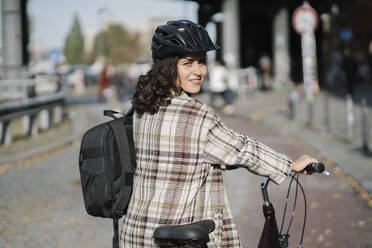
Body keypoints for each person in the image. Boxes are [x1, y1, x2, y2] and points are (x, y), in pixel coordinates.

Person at [120, 20, 318, 247]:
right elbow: (242, 149)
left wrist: (211, 161)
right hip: (176, 237)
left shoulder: (141, 107)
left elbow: (171, 155)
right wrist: (290, 164)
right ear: (167, 66)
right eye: (187, 63)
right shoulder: (195, 112)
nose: (198, 71)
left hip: (135, 233)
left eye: (201, 62)